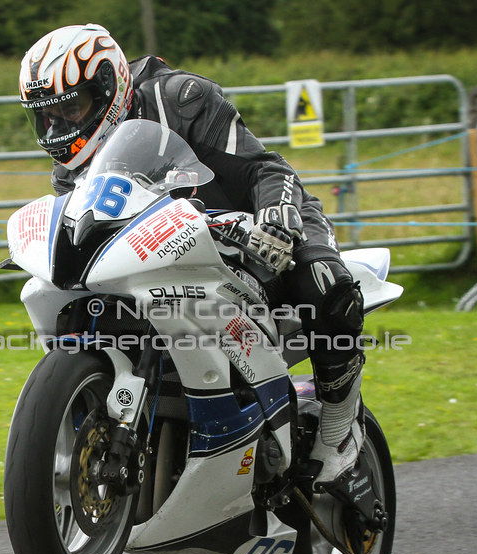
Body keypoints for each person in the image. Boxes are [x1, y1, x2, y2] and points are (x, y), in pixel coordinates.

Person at [18, 24, 366, 488]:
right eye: (46, 117)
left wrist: (276, 216)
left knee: (323, 283)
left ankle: (339, 431)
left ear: (107, 88)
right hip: (173, 245)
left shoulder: (181, 99)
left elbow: (265, 168)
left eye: (70, 109)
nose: (59, 128)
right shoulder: (73, 158)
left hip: (257, 223)